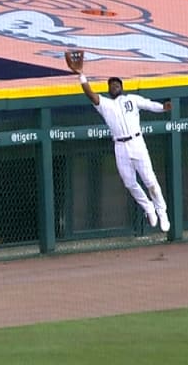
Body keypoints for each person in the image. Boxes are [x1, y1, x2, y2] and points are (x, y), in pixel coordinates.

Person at [66, 54, 171, 233]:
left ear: (121, 87)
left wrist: (162, 108)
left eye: (117, 83)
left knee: (150, 181)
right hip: (120, 146)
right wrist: (81, 75)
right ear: (108, 89)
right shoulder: (105, 105)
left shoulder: (131, 99)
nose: (114, 86)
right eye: (111, 84)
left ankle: (162, 212)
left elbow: (149, 104)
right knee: (129, 183)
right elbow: (91, 95)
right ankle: (148, 208)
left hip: (137, 142)